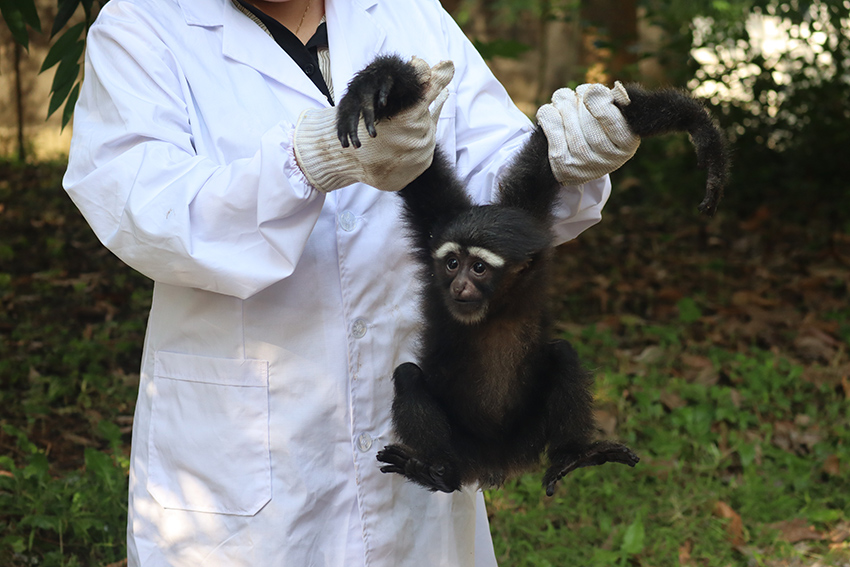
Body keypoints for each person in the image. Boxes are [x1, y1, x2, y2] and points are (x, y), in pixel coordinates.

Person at [63, 0, 639, 565]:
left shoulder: (404, 12)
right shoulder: (140, 24)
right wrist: (311, 159)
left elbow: (489, 179)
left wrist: (566, 158)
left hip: (418, 413)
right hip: (245, 445)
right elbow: (144, 208)